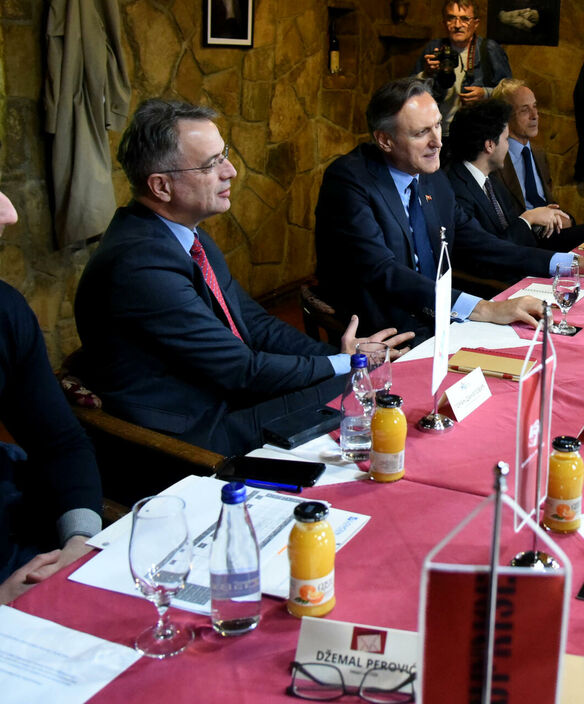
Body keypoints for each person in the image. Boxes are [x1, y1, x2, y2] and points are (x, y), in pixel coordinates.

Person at [75, 100, 408, 457]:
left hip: (225, 398)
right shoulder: (140, 265)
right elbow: (242, 369)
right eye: (211, 164)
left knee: (363, 385)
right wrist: (348, 364)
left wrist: (339, 355)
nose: (230, 171)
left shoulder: (184, 236)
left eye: (225, 155)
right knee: (363, 391)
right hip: (188, 437)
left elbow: (256, 324)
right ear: (161, 186)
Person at [314, 77, 584, 344]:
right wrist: (485, 309)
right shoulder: (349, 181)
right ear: (384, 140)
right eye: (421, 133)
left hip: (440, 319)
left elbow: (484, 245)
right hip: (384, 336)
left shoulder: (432, 177)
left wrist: (575, 264)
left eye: (438, 125)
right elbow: (385, 272)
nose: (437, 142)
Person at [0, 190, 102, 605]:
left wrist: (79, 543)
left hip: (24, 547)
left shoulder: (5, 310)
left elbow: (59, 443)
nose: (10, 212)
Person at [444, 98, 568, 251]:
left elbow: (512, 231)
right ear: (490, 145)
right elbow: (489, 252)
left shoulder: (492, 182)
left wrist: (538, 220)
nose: (508, 146)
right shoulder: (455, 190)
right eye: (506, 139)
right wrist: (528, 218)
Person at [491, 78, 584, 250]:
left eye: (535, 106)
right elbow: (501, 217)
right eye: (525, 110)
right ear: (505, 116)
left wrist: (565, 218)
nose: (535, 115)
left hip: (551, 233)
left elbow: (549, 202)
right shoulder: (495, 158)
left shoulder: (539, 153)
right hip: (524, 242)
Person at [415, 0, 511, 132]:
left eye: (465, 19)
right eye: (451, 18)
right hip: (438, 131)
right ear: (444, 22)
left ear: (476, 23)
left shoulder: (489, 49)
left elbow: (511, 92)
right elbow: (410, 92)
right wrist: (426, 74)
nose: (457, 25)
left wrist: (485, 94)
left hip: (477, 132)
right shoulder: (434, 48)